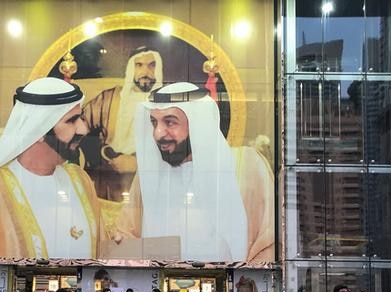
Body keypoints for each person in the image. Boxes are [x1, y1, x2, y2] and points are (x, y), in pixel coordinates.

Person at [115, 82, 274, 262]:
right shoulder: (149, 174)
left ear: (199, 123)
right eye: (154, 123)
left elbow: (269, 242)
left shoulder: (245, 165)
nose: (158, 133)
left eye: (170, 122)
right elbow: (125, 234)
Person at [0, 77, 103, 258]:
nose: (83, 130)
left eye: (82, 119)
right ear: (39, 130)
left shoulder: (80, 181)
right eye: (72, 121)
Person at [81, 46, 163, 201]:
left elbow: (179, 146)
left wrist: (139, 164)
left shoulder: (168, 104)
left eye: (152, 65)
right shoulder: (108, 98)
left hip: (153, 184)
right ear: (130, 69)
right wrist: (107, 156)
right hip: (107, 181)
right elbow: (80, 131)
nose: (146, 72)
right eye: (139, 65)